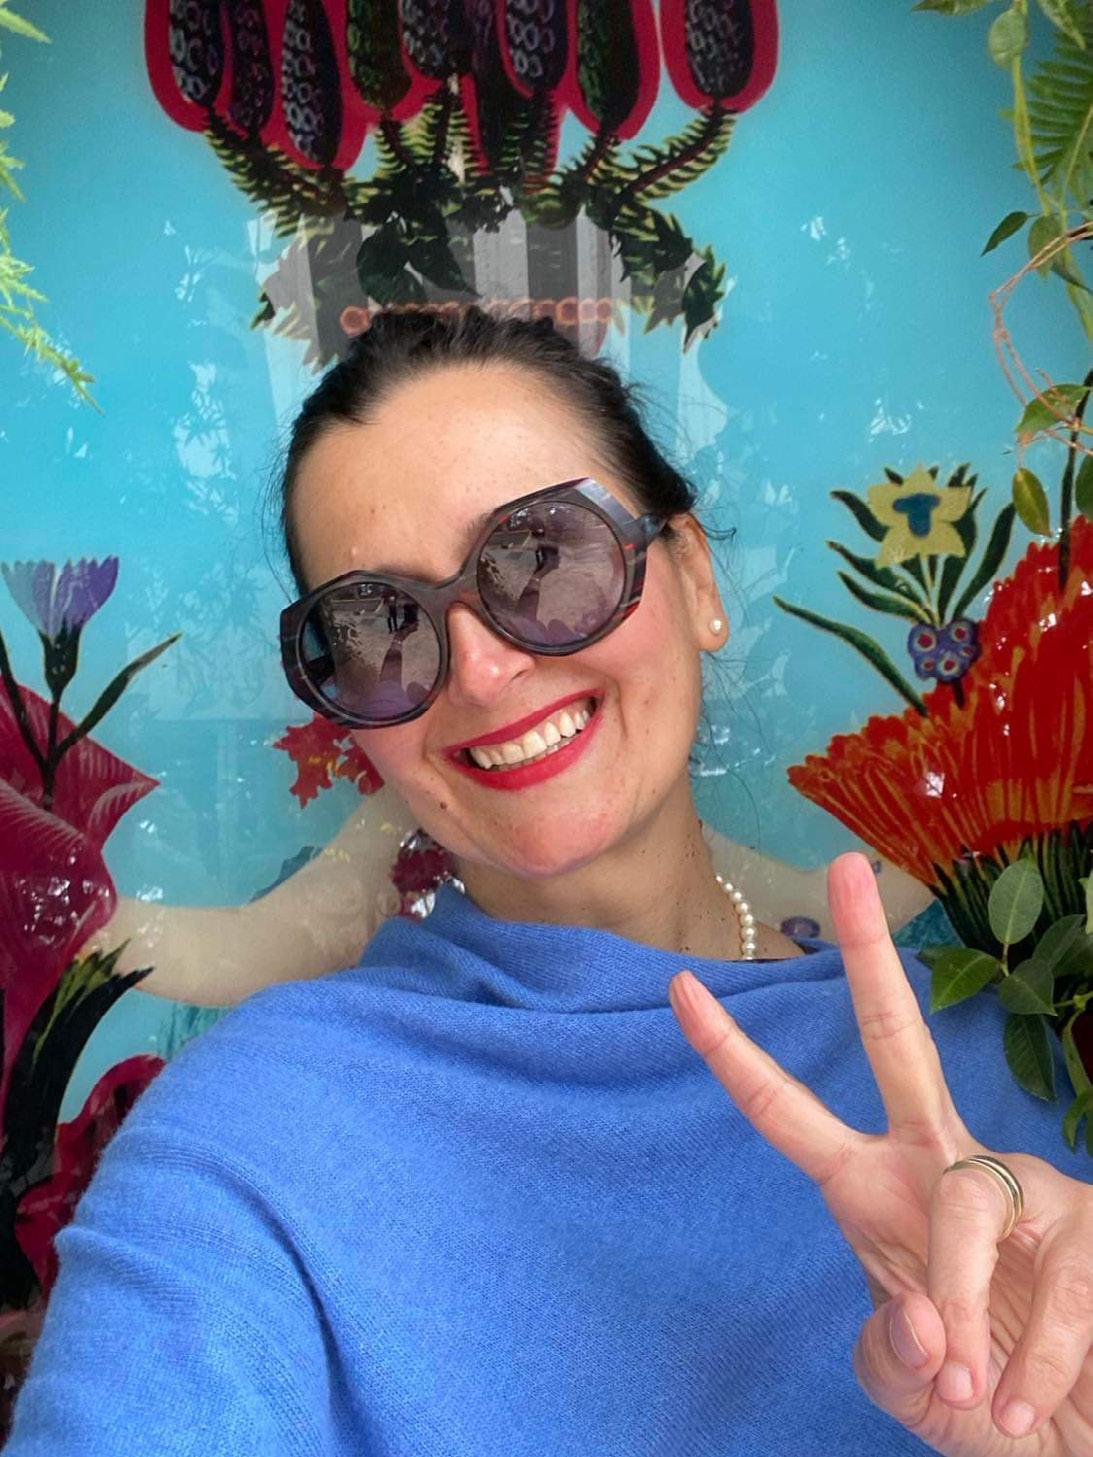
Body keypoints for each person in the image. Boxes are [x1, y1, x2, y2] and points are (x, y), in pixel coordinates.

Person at [6, 307, 1090, 1456]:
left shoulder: (996, 1070)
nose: (481, 669)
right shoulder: (251, 1140)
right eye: (376, 625)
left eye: (542, 556)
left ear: (694, 577)